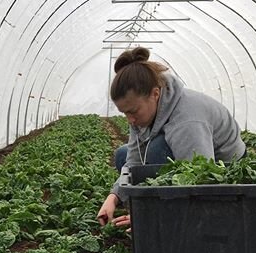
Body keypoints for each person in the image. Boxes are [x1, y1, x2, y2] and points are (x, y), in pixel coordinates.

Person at [97, 47, 246, 229]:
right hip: (193, 161)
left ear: (155, 94)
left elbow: (201, 178)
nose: (130, 120)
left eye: (133, 111)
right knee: (123, 154)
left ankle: (163, 211)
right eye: (124, 113)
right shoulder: (140, 112)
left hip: (225, 170)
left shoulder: (187, 121)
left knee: (156, 150)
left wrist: (150, 214)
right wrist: (113, 197)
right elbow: (134, 161)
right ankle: (149, 201)